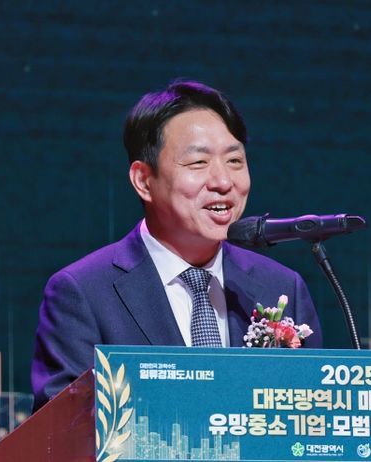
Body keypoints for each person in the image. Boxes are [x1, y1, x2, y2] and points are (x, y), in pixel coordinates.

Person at [31, 80, 323, 412]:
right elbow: (64, 431)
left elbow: (311, 417)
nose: (223, 181)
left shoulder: (282, 288)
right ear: (143, 181)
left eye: (235, 161)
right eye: (198, 163)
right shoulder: (83, 293)